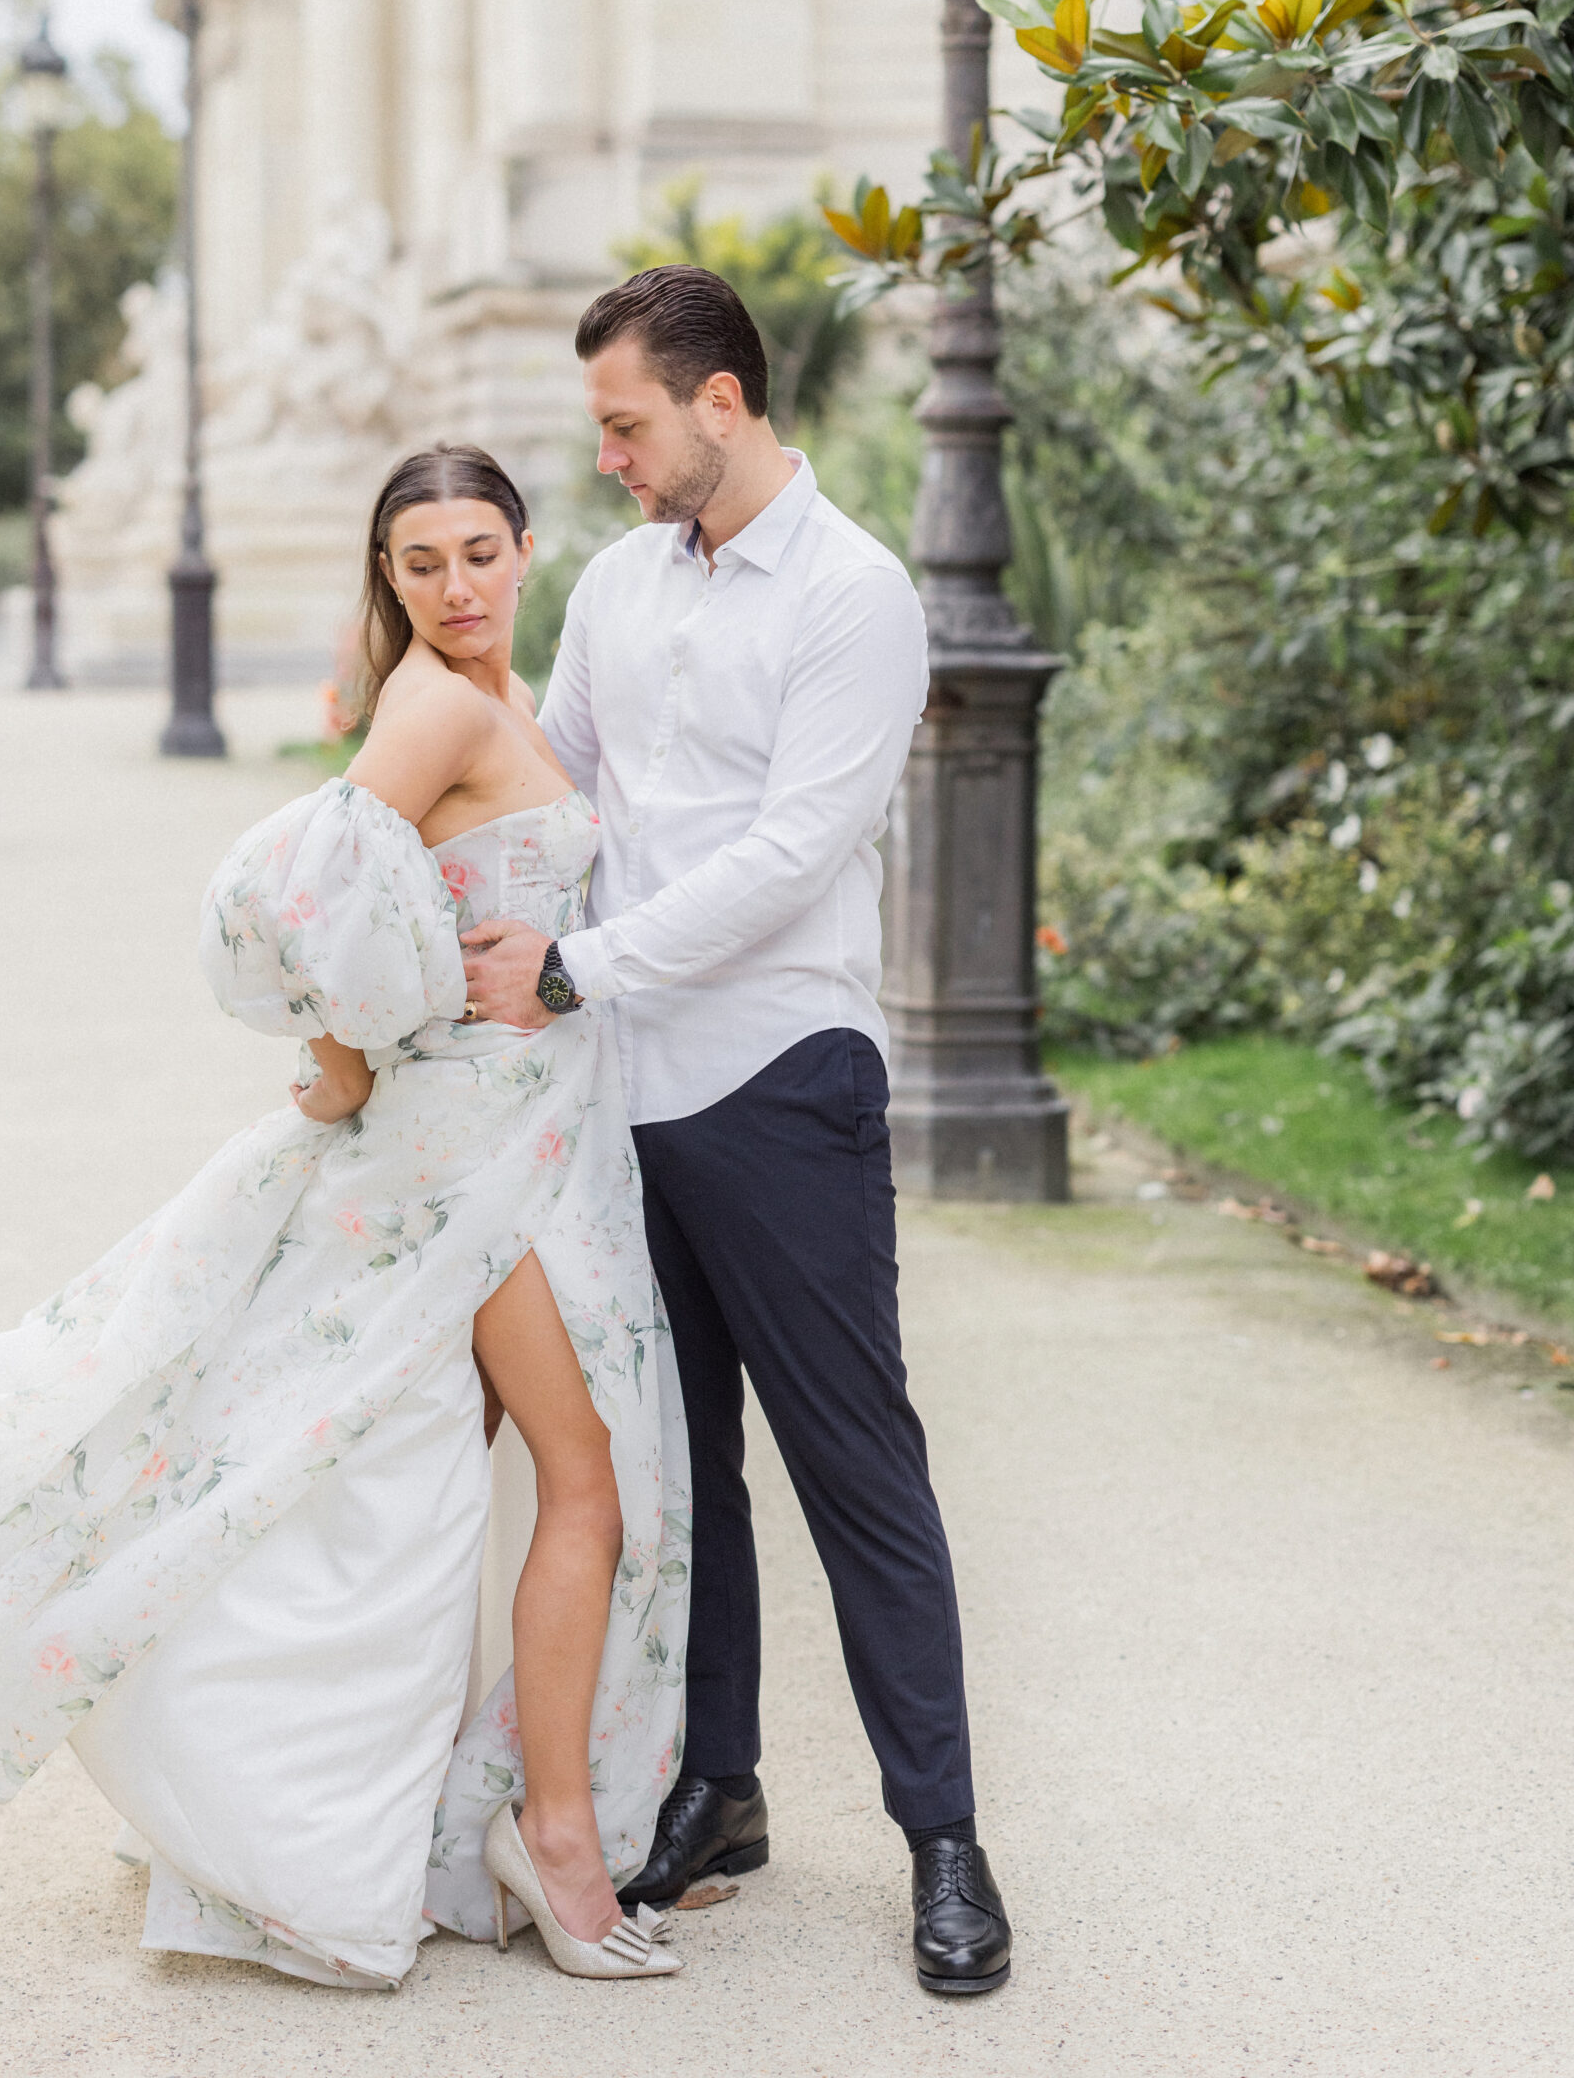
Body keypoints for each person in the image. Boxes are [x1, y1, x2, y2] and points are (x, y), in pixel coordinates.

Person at [0, 444, 688, 1990]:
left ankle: (415, 1810)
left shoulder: (509, 698)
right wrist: (342, 1054)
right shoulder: (444, 703)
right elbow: (289, 886)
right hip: (478, 1153)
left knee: (418, 1476)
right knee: (588, 1477)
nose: (454, 588)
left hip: (540, 1131)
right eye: (418, 564)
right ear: (386, 579)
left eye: (477, 553)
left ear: (528, 550)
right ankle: (561, 1845)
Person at [460, 266, 1013, 1995]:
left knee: (859, 1470)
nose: (609, 458)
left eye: (627, 424)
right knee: (677, 1473)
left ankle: (947, 1844)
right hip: (617, 1091)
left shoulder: (854, 597)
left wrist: (574, 970)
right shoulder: (622, 585)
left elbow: (792, 860)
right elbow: (552, 779)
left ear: (722, 403)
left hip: (780, 1076)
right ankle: (722, 1786)